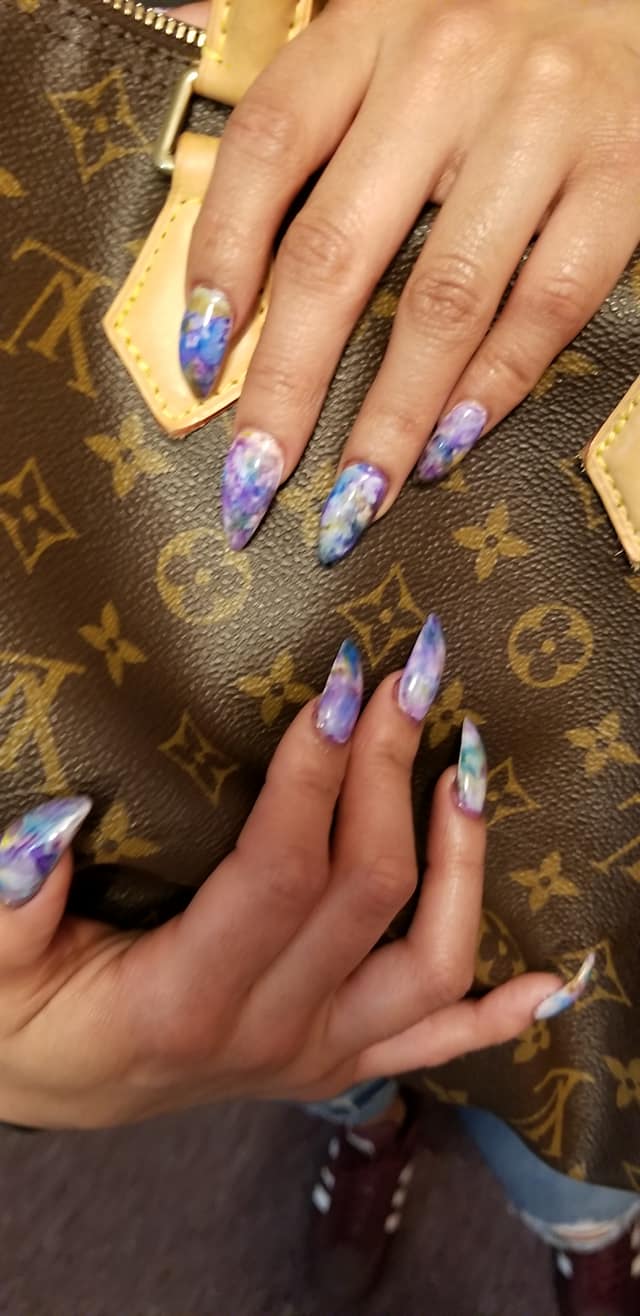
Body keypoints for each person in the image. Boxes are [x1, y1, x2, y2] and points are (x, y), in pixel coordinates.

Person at [171, 0, 640, 1311]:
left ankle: (580, 1216)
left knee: (580, 997)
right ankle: (365, 1119)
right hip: (308, 147)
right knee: (261, 911)